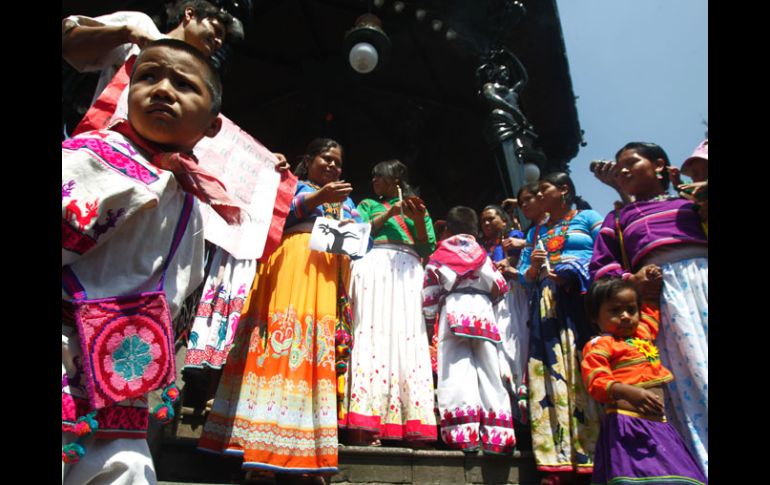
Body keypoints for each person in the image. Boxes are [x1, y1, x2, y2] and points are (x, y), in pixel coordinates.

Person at [62, 38, 234, 484]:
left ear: (212, 125)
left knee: (125, 468)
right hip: (67, 347)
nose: (162, 89)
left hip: (124, 369)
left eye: (183, 84)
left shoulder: (191, 201)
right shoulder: (93, 154)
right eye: (148, 77)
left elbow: (181, 286)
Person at [197, 138, 360, 483]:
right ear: (308, 159)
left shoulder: (347, 201)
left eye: (338, 162)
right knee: (282, 344)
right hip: (291, 263)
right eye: (326, 158)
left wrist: (355, 232)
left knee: (313, 355)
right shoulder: (291, 184)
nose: (333, 166)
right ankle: (259, 453)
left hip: (327, 275)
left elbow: (364, 242)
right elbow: (270, 217)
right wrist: (315, 199)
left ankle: (306, 455)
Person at [589, 141, 708, 476]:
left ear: (658, 165)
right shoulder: (618, 219)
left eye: (632, 162)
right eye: (619, 167)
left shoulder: (691, 202)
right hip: (665, 302)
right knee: (688, 381)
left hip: (704, 283)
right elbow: (601, 268)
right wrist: (633, 281)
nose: (623, 170)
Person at [340, 159, 437, 446]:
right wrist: (390, 214)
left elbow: (427, 247)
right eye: (372, 177)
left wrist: (417, 219)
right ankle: (365, 424)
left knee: (408, 338)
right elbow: (359, 232)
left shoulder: (418, 207)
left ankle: (410, 422)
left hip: (408, 271)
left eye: (378, 176)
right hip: (374, 266)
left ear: (395, 179)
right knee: (370, 334)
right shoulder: (368, 204)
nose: (373, 181)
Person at [516, 172, 603, 484]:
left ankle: (597, 454)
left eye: (544, 190)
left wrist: (575, 268)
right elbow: (524, 275)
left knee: (585, 367)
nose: (538, 196)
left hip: (581, 301)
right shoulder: (536, 231)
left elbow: (606, 253)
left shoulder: (588, 217)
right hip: (547, 304)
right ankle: (557, 459)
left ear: (564, 189)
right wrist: (534, 267)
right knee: (549, 374)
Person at [581, 276, 707, 485]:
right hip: (628, 424)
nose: (625, 316)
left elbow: (651, 312)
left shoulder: (642, 334)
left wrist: (650, 287)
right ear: (595, 316)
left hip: (658, 424)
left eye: (631, 310)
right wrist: (629, 392)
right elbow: (596, 381)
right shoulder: (601, 345)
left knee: (678, 475)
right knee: (639, 477)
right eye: (615, 311)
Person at [423, 207, 516, 455]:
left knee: (456, 373)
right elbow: (501, 286)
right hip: (483, 314)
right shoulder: (482, 255)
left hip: (454, 311)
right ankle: (498, 438)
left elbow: (430, 293)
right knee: (490, 373)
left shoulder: (440, 254)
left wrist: (429, 321)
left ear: (448, 229)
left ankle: (463, 436)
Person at [62, 0, 242, 108]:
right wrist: (126, 33)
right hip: (108, 144)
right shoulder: (142, 26)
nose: (218, 41)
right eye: (216, 30)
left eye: (222, 39)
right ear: (189, 14)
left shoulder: (200, 78)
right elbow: (68, 44)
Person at [479, 205, 529, 423]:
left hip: (512, 296)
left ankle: (522, 406)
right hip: (491, 300)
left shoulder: (514, 238)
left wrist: (506, 263)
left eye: (491, 219)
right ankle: (506, 410)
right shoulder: (481, 246)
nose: (486, 223)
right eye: (483, 220)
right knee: (497, 351)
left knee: (514, 347)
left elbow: (519, 260)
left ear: (504, 220)